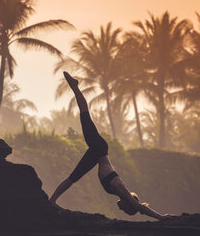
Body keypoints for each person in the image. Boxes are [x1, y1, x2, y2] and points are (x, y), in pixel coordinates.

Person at [49, 72, 172, 220]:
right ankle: (75, 87)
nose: (122, 210)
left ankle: (52, 201)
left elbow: (138, 207)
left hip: (97, 153)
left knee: (74, 177)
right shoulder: (122, 190)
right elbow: (140, 208)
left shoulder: (119, 191)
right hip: (99, 149)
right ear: (129, 205)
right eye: (126, 211)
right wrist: (162, 217)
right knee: (84, 115)